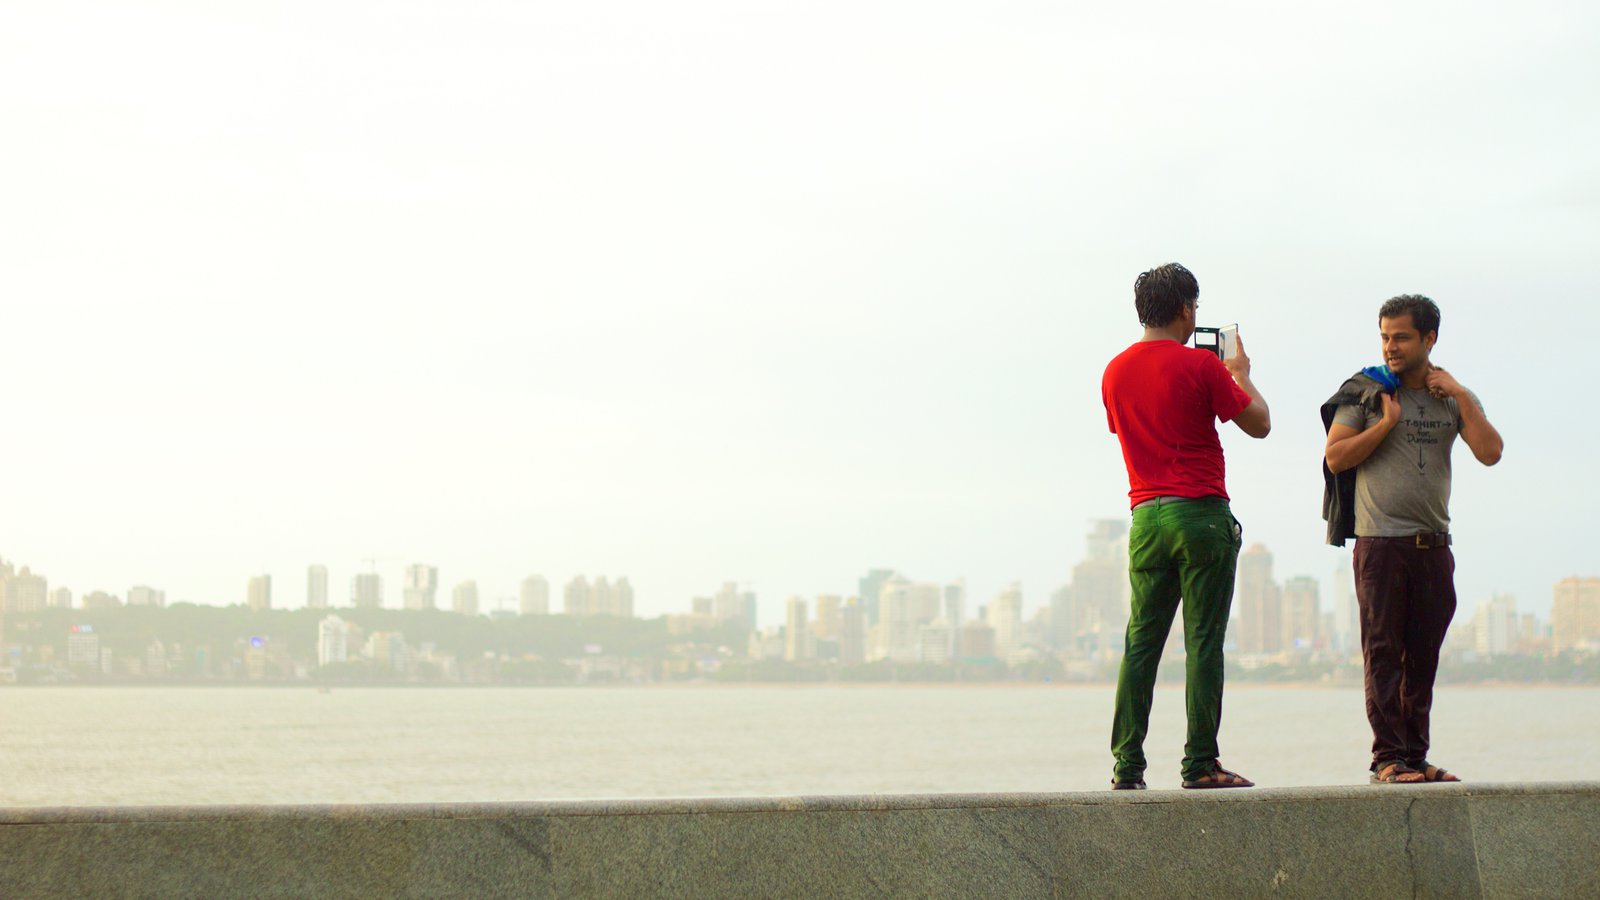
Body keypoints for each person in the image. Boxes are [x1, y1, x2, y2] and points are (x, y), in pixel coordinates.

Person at [1102, 263, 1271, 790]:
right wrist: (1239, 372)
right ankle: (1199, 764)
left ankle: (1127, 768)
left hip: (1144, 517)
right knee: (1202, 642)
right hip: (1198, 512)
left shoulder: (1113, 372)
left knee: (1141, 643)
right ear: (1185, 309)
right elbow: (1260, 424)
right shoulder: (1203, 368)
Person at [1322, 294, 1502, 784]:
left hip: (1434, 545)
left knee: (1422, 658)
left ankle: (1416, 757)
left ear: (1429, 338)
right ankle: (1388, 759)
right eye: (1384, 336)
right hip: (1380, 545)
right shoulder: (1366, 392)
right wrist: (1387, 424)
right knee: (1383, 655)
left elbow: (1490, 452)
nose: (1390, 347)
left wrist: (1461, 395)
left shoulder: (1452, 396)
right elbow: (1336, 457)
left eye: (1400, 337)